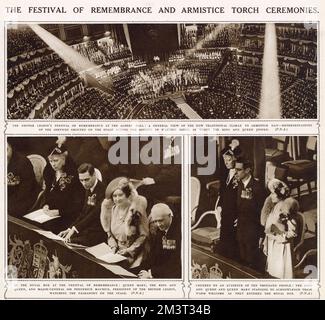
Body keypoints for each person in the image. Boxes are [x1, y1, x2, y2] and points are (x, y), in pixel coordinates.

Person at [100, 177, 149, 269]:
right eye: (114, 196)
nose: (117, 199)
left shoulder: (136, 211)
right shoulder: (113, 210)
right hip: (117, 252)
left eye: (120, 195)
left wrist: (128, 250)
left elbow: (144, 235)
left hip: (135, 254)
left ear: (127, 195)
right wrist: (113, 246)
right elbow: (110, 234)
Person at [40, 140, 84, 233]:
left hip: (67, 216)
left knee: (48, 229)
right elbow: (47, 191)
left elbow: (78, 205)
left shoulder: (75, 174)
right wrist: (46, 204)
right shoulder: (49, 172)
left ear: (64, 159)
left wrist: (59, 212)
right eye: (51, 161)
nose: (53, 164)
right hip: (50, 213)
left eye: (56, 160)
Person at [58, 163, 106, 246]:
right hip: (86, 229)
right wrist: (70, 229)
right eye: (81, 180)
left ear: (94, 175)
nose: (84, 183)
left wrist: (75, 229)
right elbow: (83, 213)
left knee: (68, 243)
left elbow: (93, 215)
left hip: (97, 233)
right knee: (63, 239)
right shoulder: (88, 188)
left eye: (87, 179)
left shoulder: (103, 190)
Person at [261, 179, 299, 279]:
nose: (271, 196)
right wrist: (267, 239)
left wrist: (279, 237)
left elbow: (293, 232)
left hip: (282, 246)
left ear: (279, 194)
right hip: (273, 245)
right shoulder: (275, 207)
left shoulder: (286, 209)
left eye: (273, 194)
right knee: (272, 273)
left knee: (281, 274)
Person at [235, 157, 265, 269]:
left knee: (251, 264)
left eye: (238, 169)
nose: (235, 172)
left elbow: (262, 212)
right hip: (240, 229)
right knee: (242, 261)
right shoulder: (239, 185)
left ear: (247, 170)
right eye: (235, 169)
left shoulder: (257, 188)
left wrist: (262, 234)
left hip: (253, 232)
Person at [138, 203, 181, 279]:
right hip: (160, 269)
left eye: (161, 220)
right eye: (155, 221)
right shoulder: (161, 227)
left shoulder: (178, 231)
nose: (158, 224)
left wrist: (151, 273)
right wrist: (143, 269)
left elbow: (174, 263)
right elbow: (154, 253)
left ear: (169, 216)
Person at [217, 140, 242, 260]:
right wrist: (220, 205)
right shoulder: (226, 173)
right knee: (224, 236)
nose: (226, 163)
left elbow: (241, 197)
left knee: (233, 241)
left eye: (229, 160)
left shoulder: (240, 175)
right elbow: (223, 191)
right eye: (224, 160)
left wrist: (240, 215)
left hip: (235, 212)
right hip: (225, 211)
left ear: (235, 159)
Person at [7, 140, 39, 217]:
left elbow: (26, 189)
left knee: (11, 209)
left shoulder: (23, 162)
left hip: (27, 195)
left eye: (6, 149)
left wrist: (7, 202)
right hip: (10, 193)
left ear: (10, 147)